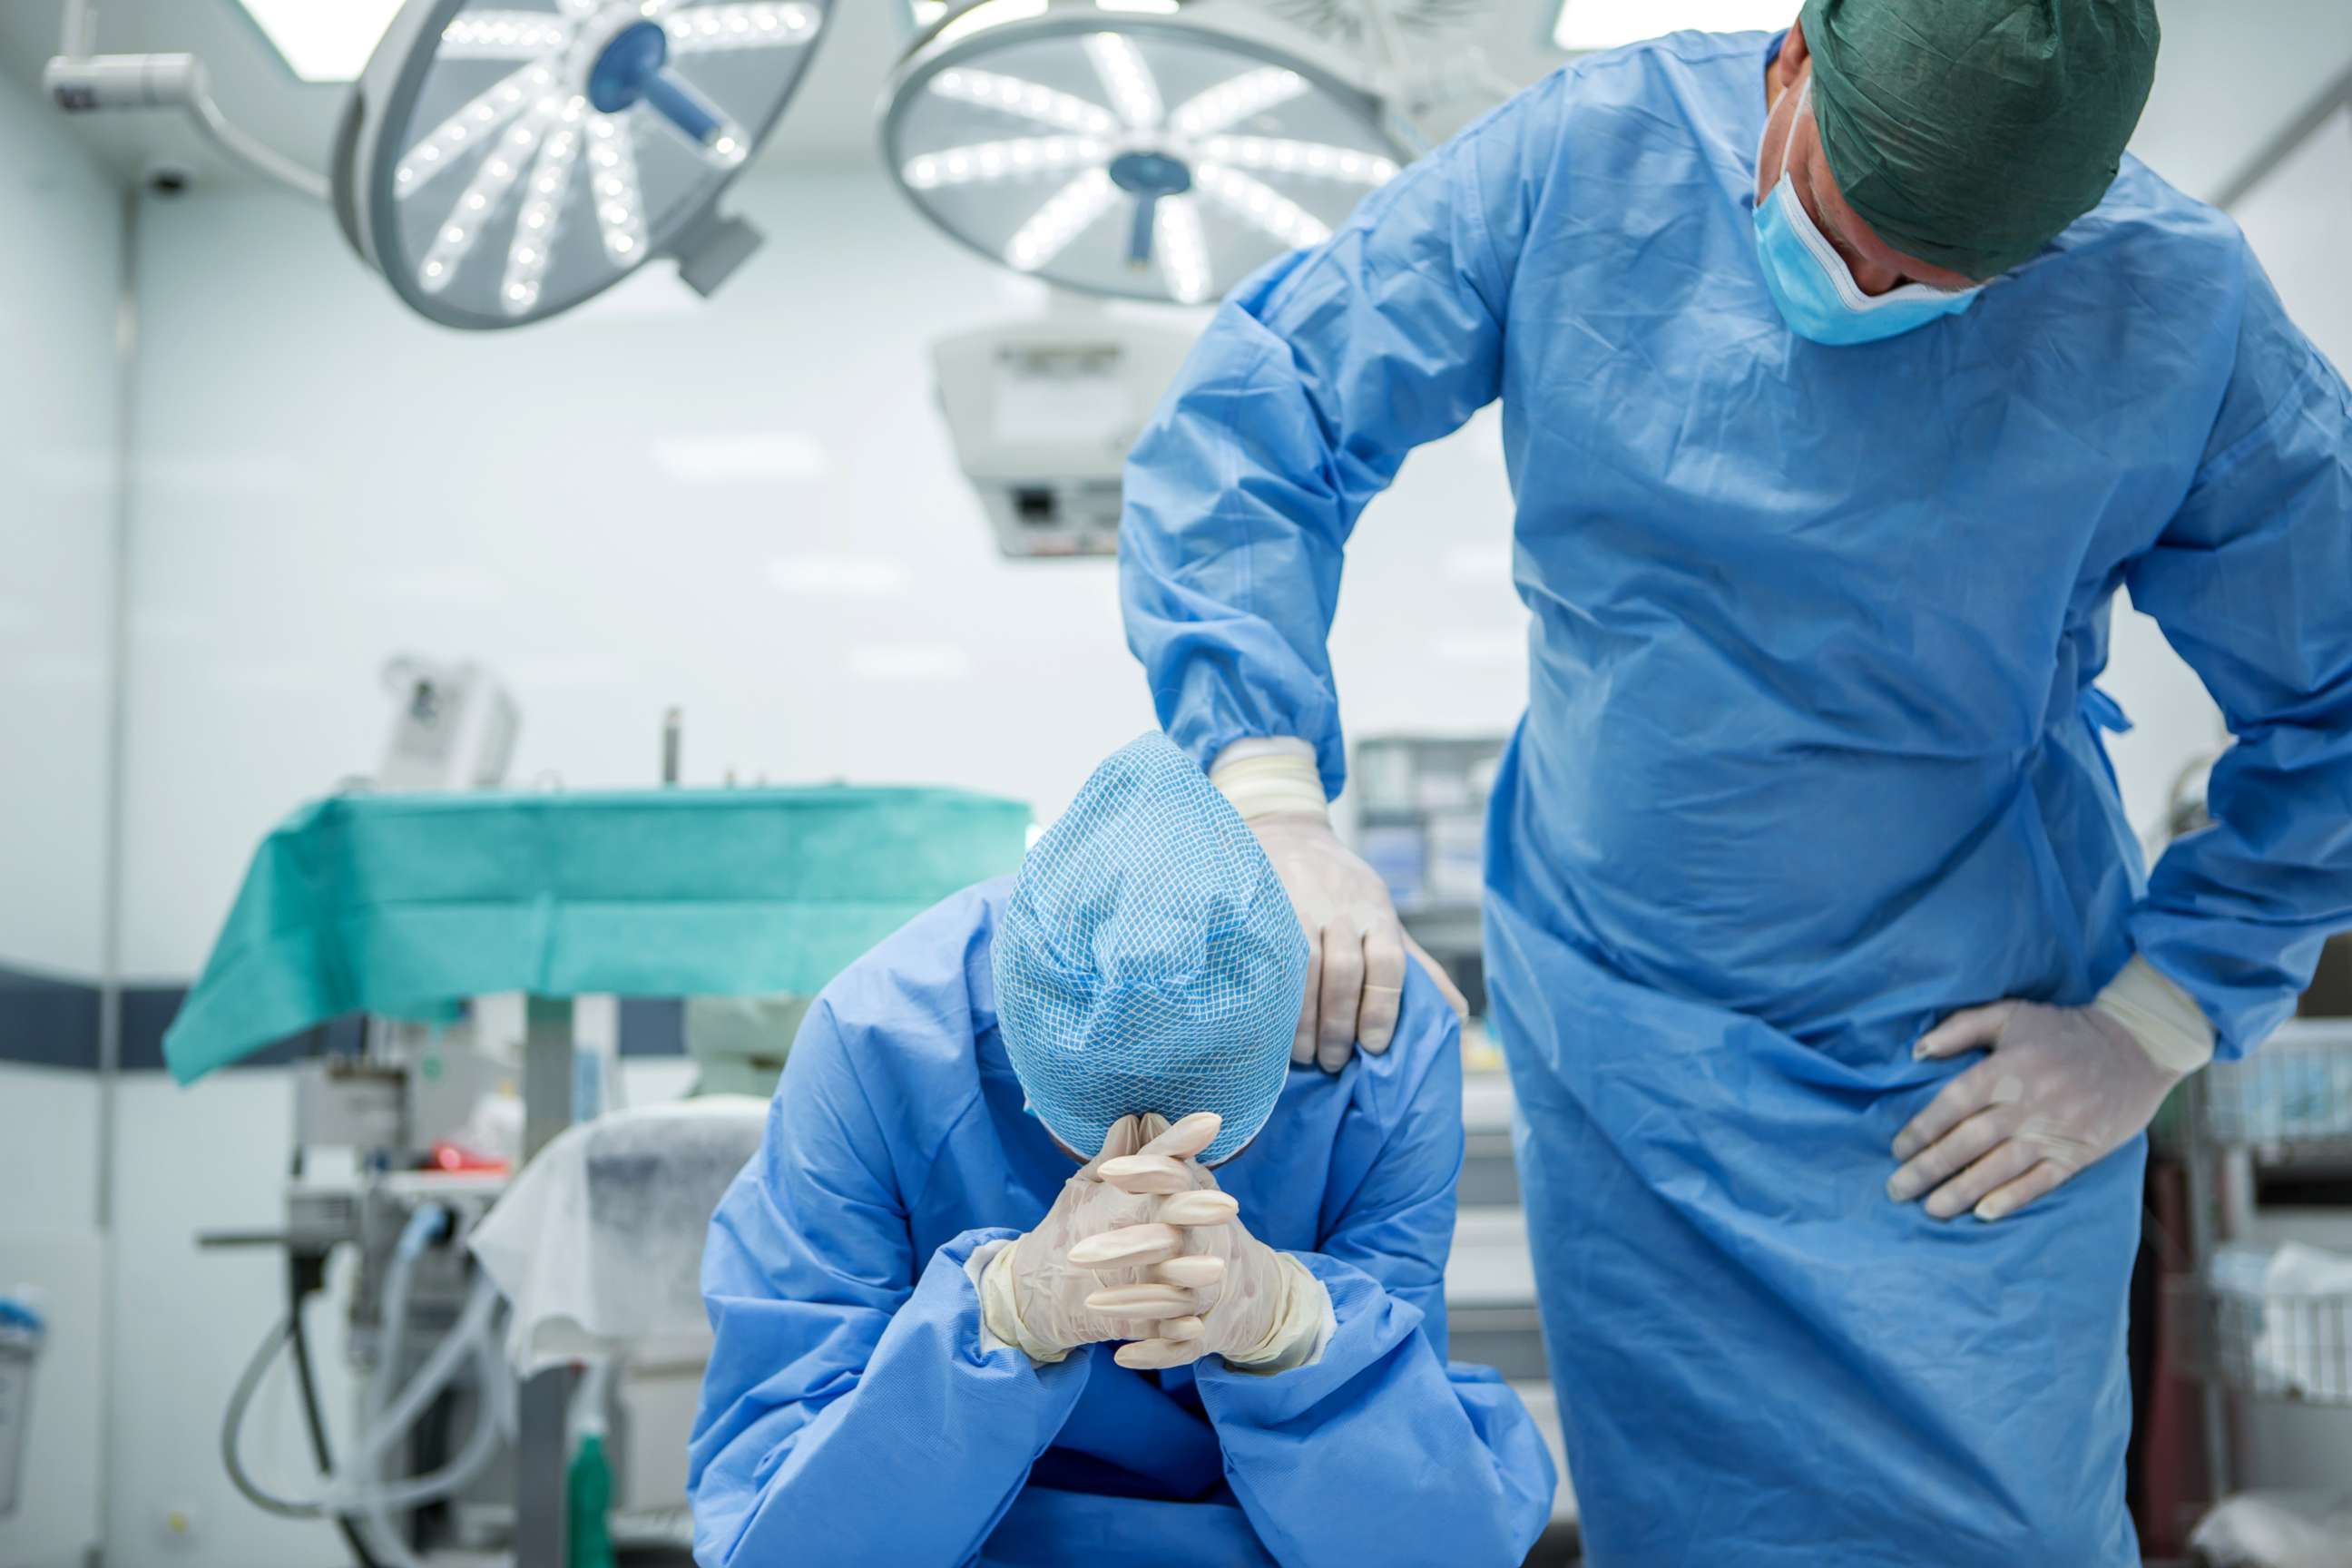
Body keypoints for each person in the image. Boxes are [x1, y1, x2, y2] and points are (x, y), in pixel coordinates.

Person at [1118, 0, 2352, 1562]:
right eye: (1855, 233)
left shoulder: (2170, 304)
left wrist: (2154, 1024)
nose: (1876, 293)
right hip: (1629, 1030)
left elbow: (2339, 694)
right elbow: (1267, 407)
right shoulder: (1589, 158)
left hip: (1968, 1074)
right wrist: (1268, 795)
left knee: (2003, 1529)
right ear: (1789, 68)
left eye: (1945, 283)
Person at [687, 733, 1555, 1568]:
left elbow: (1439, 1542)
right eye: (1088, 1126)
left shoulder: (1374, 1050)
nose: (1144, 1172)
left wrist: (1293, 1326)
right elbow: (782, 1536)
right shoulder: (882, 1044)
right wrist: (1002, 1318)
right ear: (1012, 1043)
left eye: (1204, 1133)